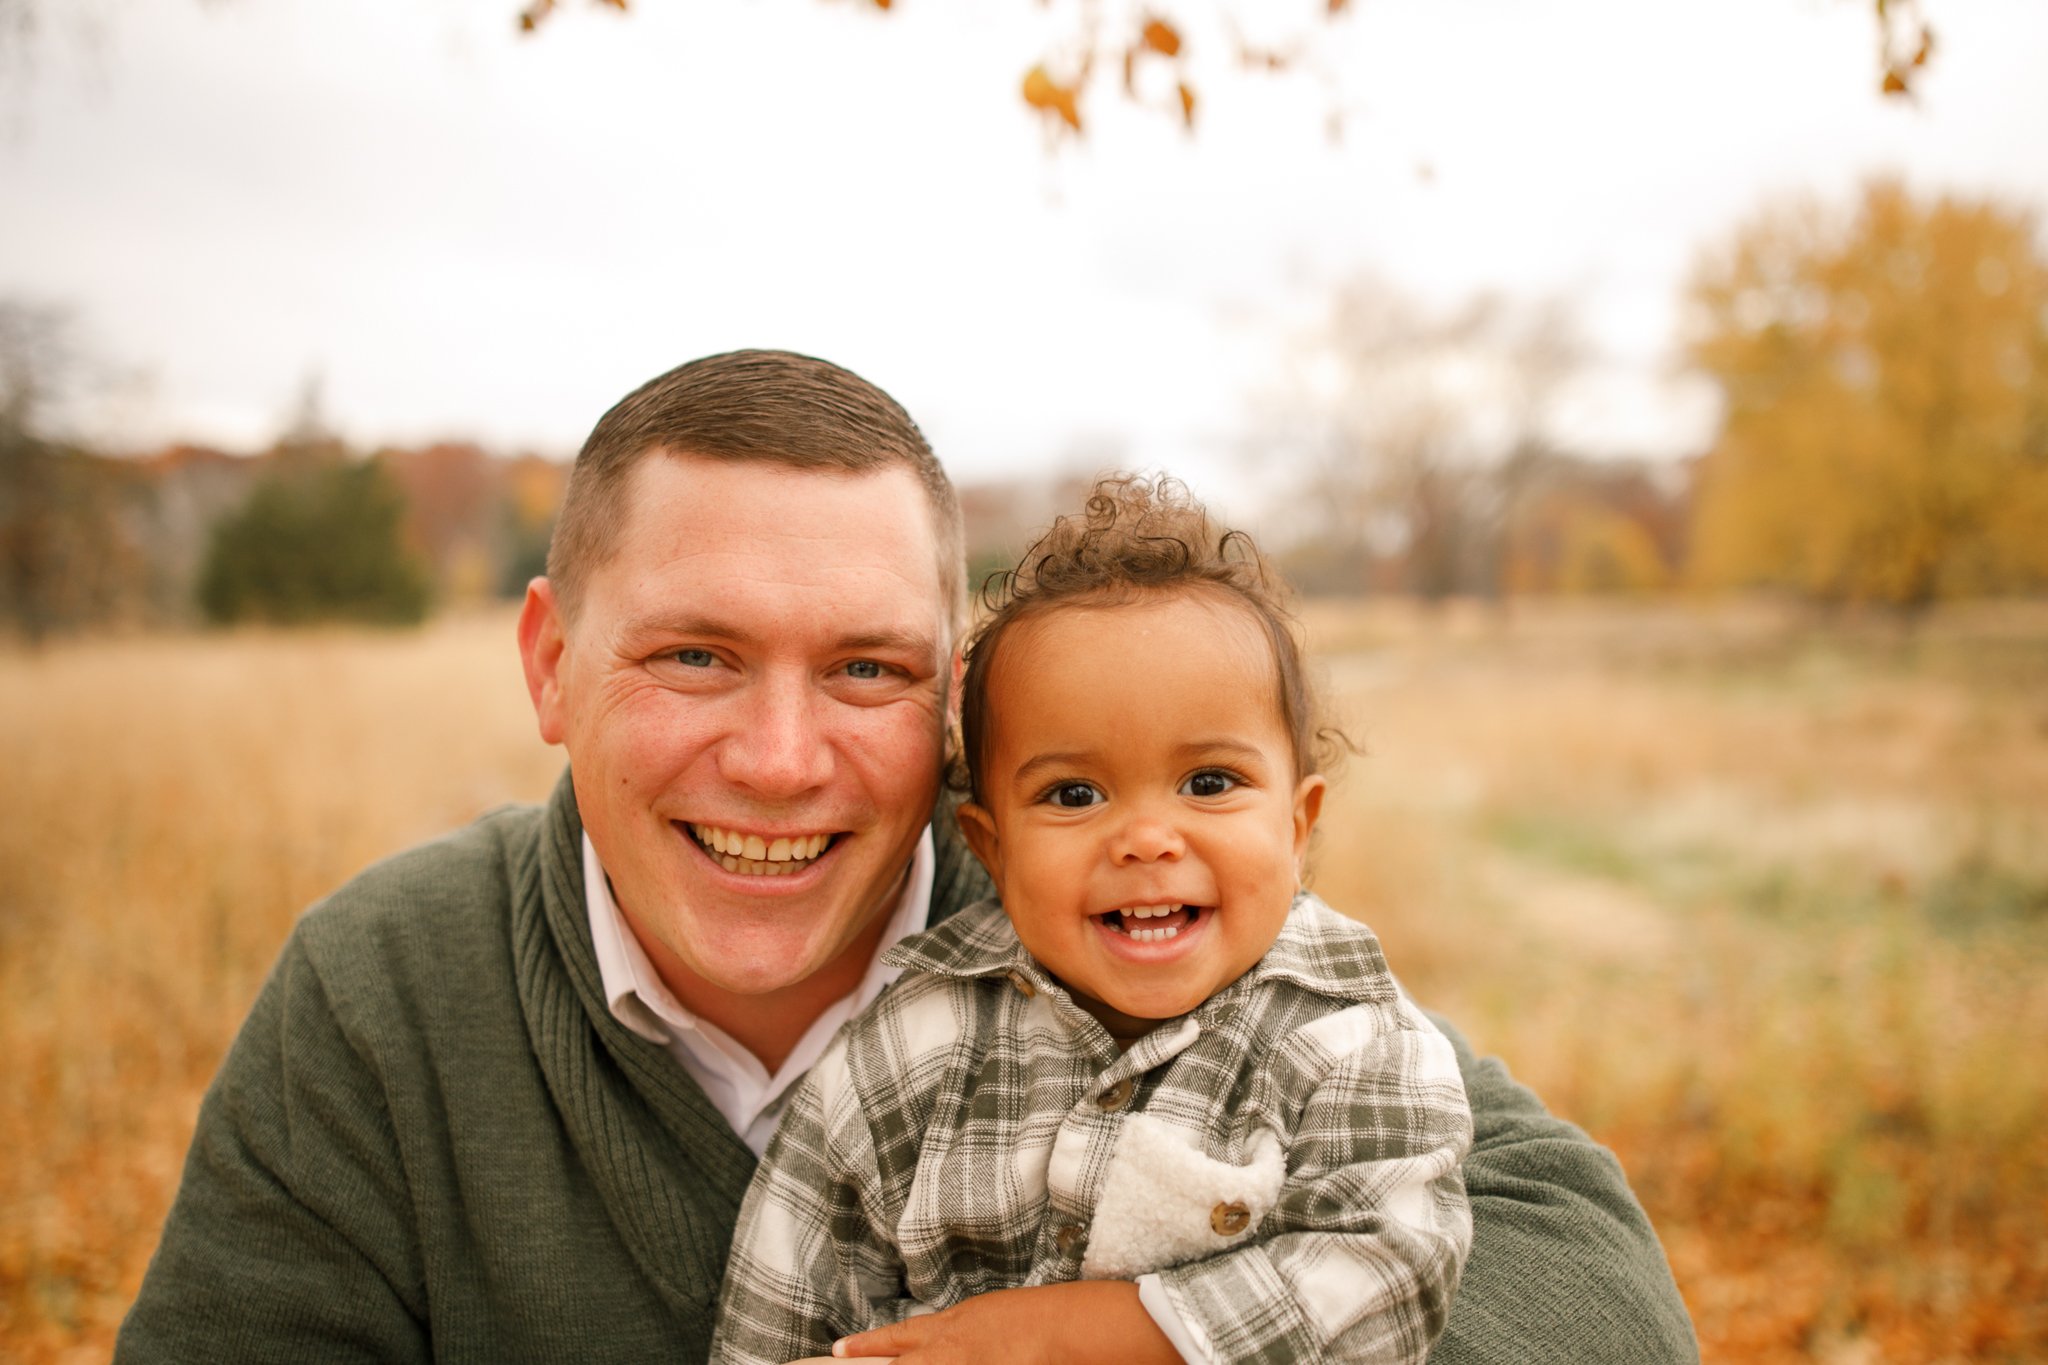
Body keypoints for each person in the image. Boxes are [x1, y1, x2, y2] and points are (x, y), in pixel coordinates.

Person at [116, 349, 1698, 1363]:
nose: (784, 758)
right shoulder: (387, 990)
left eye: (866, 669)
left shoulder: (1139, 938)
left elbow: (1595, 1291)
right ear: (548, 662)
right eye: (694, 658)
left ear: (953, 706)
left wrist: (1099, 1342)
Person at [712, 475, 1474, 1365]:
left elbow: (1390, 1271)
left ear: (1298, 825)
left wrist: (1066, 1342)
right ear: (990, 849)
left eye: (1209, 782)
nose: (1147, 839)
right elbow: (782, 1294)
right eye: (1075, 793)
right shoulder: (903, 1051)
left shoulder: (1354, 1044)